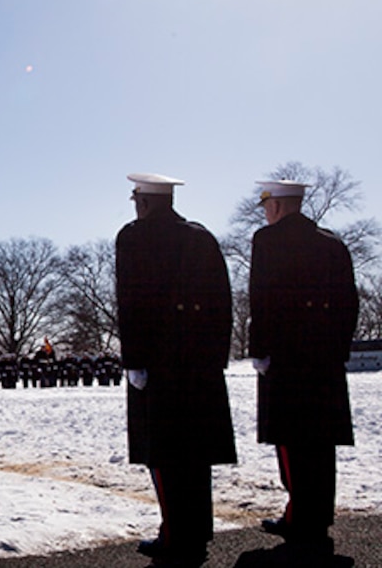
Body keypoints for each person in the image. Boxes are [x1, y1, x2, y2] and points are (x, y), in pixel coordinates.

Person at [115, 173, 237, 567]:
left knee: (165, 454)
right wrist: (216, 357)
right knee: (195, 453)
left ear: (145, 202)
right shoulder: (201, 237)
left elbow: (131, 303)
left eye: (136, 198)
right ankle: (197, 530)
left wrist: (134, 360)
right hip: (199, 365)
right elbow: (223, 302)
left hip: (159, 362)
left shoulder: (134, 237)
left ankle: (175, 534)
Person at [248, 179, 358, 557]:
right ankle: (318, 517)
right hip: (324, 359)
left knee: (292, 443)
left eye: (267, 205)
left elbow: (261, 297)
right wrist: (338, 349)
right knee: (321, 444)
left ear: (276, 206)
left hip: (287, 357)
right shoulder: (332, 242)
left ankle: (300, 518)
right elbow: (349, 302)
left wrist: (259, 349)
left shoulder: (269, 240)